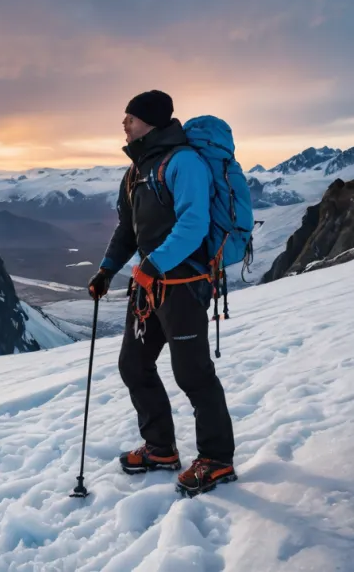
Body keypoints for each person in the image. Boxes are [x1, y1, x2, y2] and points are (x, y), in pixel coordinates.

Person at [88, 90, 237, 496]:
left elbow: (193, 223)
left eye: (130, 117)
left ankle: (217, 459)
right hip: (148, 285)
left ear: (151, 121)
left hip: (183, 287)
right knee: (133, 365)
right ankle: (161, 449)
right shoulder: (136, 170)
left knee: (193, 373)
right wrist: (106, 270)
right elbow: (128, 230)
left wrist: (153, 264)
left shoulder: (184, 162)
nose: (124, 123)